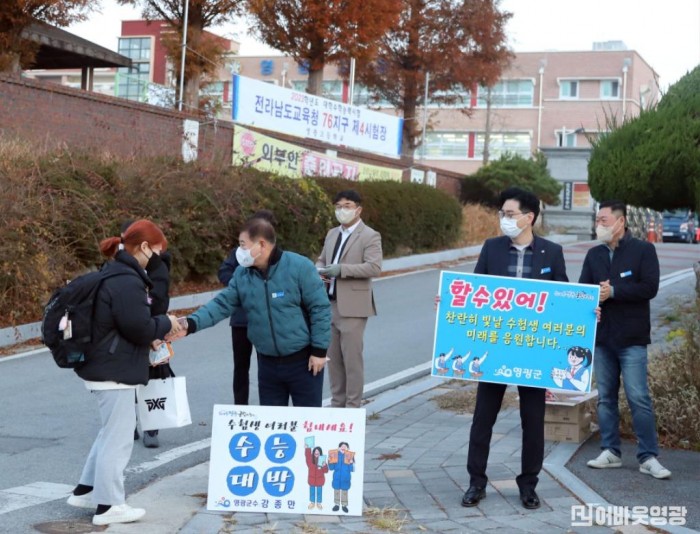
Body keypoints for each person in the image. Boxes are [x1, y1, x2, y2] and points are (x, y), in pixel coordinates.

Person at [66, 220, 181, 526]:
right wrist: (167, 324)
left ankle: (86, 490)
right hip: (113, 368)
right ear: (143, 247)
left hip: (102, 364)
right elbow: (139, 327)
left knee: (109, 433)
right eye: (156, 251)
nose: (157, 258)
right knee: (118, 440)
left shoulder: (114, 272)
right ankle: (109, 505)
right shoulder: (127, 281)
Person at [462, 187, 568, 511]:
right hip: (495, 349)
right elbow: (475, 291)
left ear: (529, 217)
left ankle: (528, 485)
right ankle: (476, 482)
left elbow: (564, 299)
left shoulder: (552, 253)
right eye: (502, 214)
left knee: (532, 421)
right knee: (483, 418)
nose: (504, 220)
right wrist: (453, 300)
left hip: (532, 351)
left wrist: (588, 311)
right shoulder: (492, 248)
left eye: (510, 214)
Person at [174, 218, 330, 407]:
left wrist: (319, 351)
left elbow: (320, 309)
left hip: (304, 361)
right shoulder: (242, 274)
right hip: (267, 364)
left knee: (308, 425)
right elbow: (221, 305)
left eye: (243, 245)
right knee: (272, 426)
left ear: (261, 244)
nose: (239, 252)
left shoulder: (299, 267)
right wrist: (190, 324)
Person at [579, 200, 671, 479]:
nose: (600, 225)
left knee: (638, 397)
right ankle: (610, 451)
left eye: (604, 220)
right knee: (605, 398)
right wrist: (593, 300)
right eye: (598, 220)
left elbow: (649, 287)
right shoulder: (594, 255)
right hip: (602, 338)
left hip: (632, 338)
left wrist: (615, 291)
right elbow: (583, 290)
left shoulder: (643, 250)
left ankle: (648, 456)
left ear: (620, 222)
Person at [316, 190, 382, 408]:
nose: (342, 210)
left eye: (347, 205)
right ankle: (337, 404)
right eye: (338, 206)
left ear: (358, 209)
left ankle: (353, 407)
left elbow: (374, 266)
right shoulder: (332, 233)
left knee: (352, 360)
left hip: (353, 306)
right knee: (333, 360)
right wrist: (319, 269)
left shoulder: (369, 235)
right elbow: (322, 259)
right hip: (329, 303)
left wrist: (341, 270)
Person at [121, 220, 174, 449]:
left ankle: (151, 427)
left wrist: (155, 327)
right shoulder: (119, 263)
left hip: (152, 329)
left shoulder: (158, 266)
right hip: (129, 331)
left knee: (153, 378)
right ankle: (129, 423)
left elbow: (160, 299)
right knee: (126, 379)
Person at [217, 210, 277, 405]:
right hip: (241, 320)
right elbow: (224, 271)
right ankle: (240, 407)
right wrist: (240, 285)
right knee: (240, 367)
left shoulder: (278, 255)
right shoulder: (240, 252)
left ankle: (267, 407)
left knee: (266, 367)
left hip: (266, 321)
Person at [328, 441, 355, 513]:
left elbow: (351, 469)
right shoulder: (335, 455)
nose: (343, 448)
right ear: (339, 448)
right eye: (342, 446)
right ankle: (336, 504)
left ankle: (344, 505)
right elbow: (331, 468)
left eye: (345, 447)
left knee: (344, 492)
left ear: (347, 448)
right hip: (336, 476)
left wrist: (351, 463)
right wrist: (330, 462)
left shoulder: (349, 455)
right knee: (336, 490)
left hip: (345, 476)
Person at [305, 445, 329, 510]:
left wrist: (324, 466)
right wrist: (307, 448)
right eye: (315, 451)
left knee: (319, 492)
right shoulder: (310, 461)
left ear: (320, 453)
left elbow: (326, 471)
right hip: (312, 479)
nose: (316, 452)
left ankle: (318, 503)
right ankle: (312, 503)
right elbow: (307, 456)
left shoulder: (322, 460)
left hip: (320, 480)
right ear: (313, 453)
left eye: (318, 452)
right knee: (312, 491)